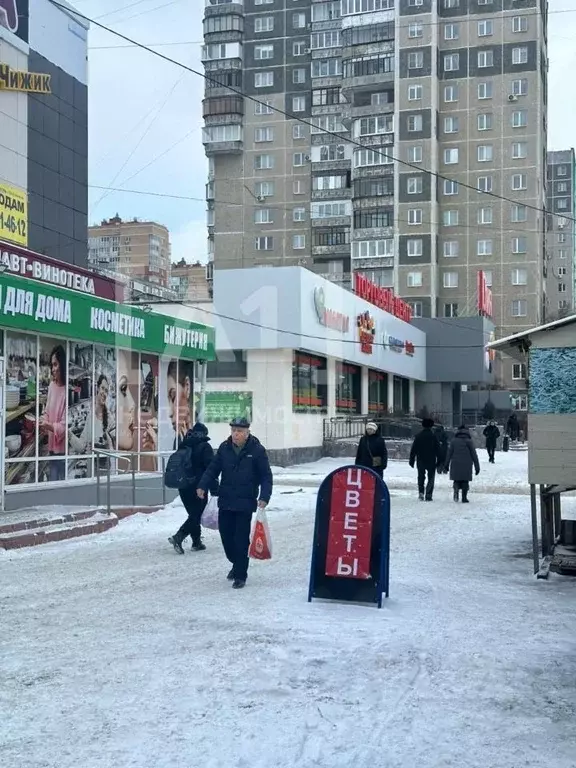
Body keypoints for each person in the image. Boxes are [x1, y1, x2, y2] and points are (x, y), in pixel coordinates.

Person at [197, 417, 273, 590]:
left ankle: (240, 574)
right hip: (226, 500)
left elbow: (266, 476)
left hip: (245, 502)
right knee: (226, 537)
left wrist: (264, 496)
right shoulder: (224, 448)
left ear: (247, 433)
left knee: (240, 539)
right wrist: (203, 485)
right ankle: (236, 561)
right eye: (233, 431)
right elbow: (213, 469)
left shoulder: (257, 450)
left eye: (239, 431)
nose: (235, 434)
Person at [168, 422, 218, 555]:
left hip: (183, 485)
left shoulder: (184, 445)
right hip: (199, 487)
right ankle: (179, 536)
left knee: (194, 514)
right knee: (197, 514)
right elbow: (211, 469)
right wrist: (215, 489)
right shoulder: (205, 447)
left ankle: (196, 542)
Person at [39, 344, 67, 482]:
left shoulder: (68, 391)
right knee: (53, 482)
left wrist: (48, 426)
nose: (53, 369)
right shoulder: (51, 386)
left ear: (62, 364)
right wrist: (42, 420)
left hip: (62, 451)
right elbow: (47, 411)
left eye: (56, 364)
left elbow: (64, 426)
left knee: (60, 485)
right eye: (52, 365)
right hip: (51, 448)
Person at [69, 374, 111, 454]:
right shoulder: (90, 417)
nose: (104, 393)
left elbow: (113, 449)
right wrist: (68, 434)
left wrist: (101, 446)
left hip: (101, 464)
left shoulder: (110, 419)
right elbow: (81, 447)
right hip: (91, 464)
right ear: (97, 388)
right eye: (102, 388)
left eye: (106, 391)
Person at [409, 417, 442, 501]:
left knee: (421, 477)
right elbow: (438, 449)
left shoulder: (419, 436)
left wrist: (411, 460)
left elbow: (414, 449)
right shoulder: (433, 436)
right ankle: (428, 494)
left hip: (421, 459)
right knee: (431, 477)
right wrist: (439, 460)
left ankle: (421, 492)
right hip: (431, 460)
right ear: (431, 426)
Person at [446, 425, 480, 503]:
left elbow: (449, 453)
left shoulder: (454, 441)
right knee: (465, 481)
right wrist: (477, 466)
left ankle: (456, 490)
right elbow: (474, 454)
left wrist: (446, 464)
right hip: (467, 464)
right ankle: (464, 497)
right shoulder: (469, 441)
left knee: (456, 480)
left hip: (455, 463)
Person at [167, 360, 194, 448]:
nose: (169, 413)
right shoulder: (177, 440)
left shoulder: (201, 443)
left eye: (173, 396)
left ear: (187, 386)